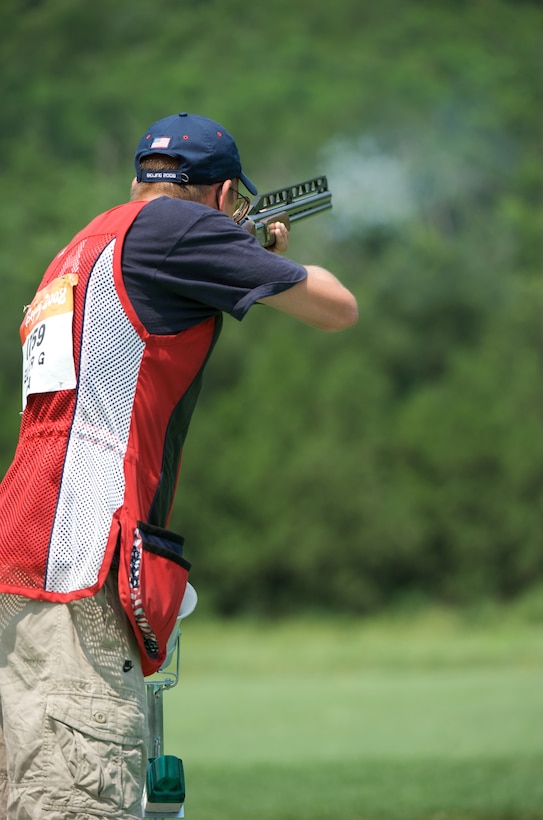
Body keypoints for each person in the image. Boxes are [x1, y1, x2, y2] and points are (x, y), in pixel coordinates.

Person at [0, 111, 358, 818]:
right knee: (79, 796)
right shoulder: (181, 229)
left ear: (140, 180)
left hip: (26, 545)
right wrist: (265, 254)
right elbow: (335, 307)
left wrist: (236, 248)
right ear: (224, 194)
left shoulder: (80, 247)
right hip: (84, 560)